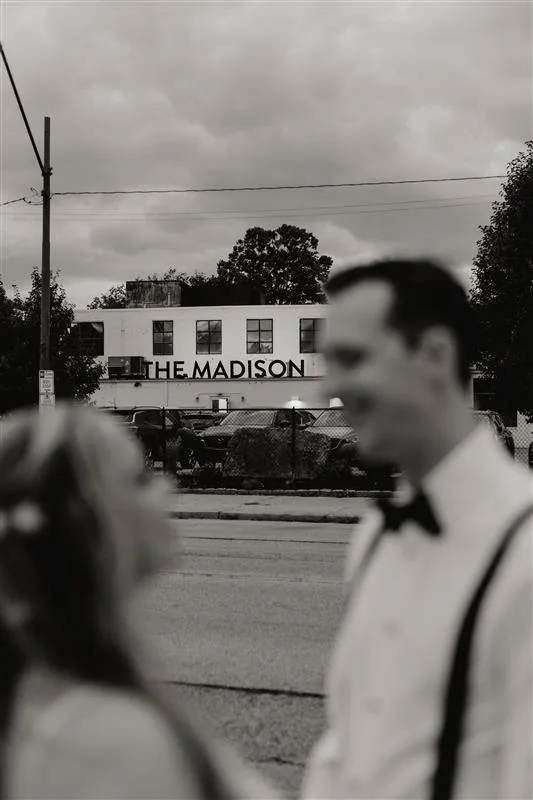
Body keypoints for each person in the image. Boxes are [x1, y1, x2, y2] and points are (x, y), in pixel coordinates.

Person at [302, 258, 532, 800]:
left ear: (434, 355)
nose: (327, 389)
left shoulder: (526, 550)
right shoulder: (375, 537)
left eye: (352, 359)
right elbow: (349, 748)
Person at [0, 403, 278, 800]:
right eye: (139, 479)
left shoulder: (56, 693)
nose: (167, 488)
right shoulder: (106, 738)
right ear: (87, 523)